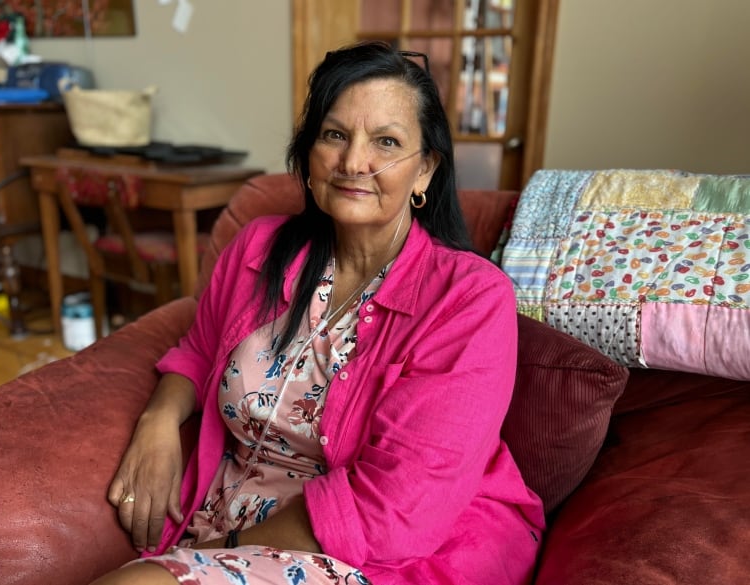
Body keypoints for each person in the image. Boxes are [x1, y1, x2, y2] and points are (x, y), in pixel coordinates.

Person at [91, 41, 544, 585]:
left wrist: (218, 550)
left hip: (390, 549)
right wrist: (159, 420)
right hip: (233, 524)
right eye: (335, 135)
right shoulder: (258, 248)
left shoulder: (469, 299)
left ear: (425, 171)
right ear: (308, 155)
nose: (354, 162)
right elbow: (196, 352)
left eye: (387, 142)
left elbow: (395, 508)